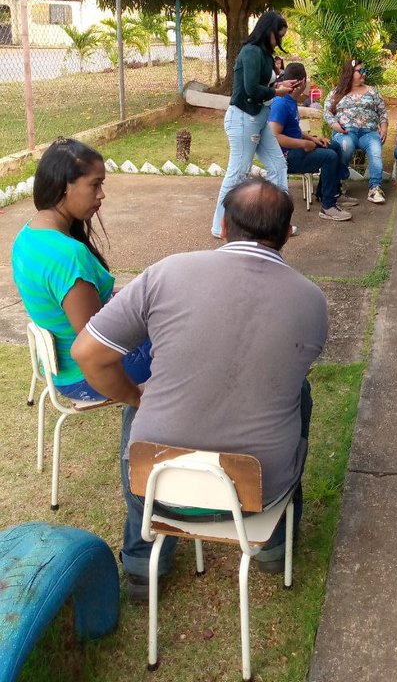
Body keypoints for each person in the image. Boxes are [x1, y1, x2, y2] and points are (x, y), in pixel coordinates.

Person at [72, 178, 327, 599]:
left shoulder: (166, 272)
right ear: (286, 235)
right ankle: (273, 550)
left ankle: (140, 565)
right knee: (296, 393)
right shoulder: (312, 300)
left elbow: (88, 353)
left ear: (224, 226)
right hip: (258, 493)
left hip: (156, 487)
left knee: (141, 410)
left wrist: (137, 398)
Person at [11, 138, 152, 401]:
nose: (102, 194)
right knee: (186, 344)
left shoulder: (28, 236)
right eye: (95, 185)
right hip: (85, 376)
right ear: (65, 187)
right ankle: (149, 428)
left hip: (60, 370)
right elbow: (97, 342)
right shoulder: (69, 256)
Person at [211, 11, 300, 238]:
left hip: (259, 117)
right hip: (243, 117)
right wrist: (277, 91)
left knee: (278, 166)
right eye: (278, 36)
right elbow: (251, 88)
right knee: (238, 171)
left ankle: (277, 224)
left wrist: (281, 83)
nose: (279, 41)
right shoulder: (250, 52)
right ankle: (219, 225)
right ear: (267, 30)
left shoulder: (264, 54)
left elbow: (266, 83)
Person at [269, 62, 356, 222]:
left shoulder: (291, 100)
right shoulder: (281, 103)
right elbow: (274, 136)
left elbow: (294, 130)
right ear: (302, 82)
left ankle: (329, 194)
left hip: (296, 149)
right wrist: (304, 144)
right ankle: (328, 207)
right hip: (286, 157)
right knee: (329, 157)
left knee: (334, 146)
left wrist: (313, 139)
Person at [323, 58, 388, 205]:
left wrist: (383, 128)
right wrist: (334, 125)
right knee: (346, 146)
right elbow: (327, 112)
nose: (364, 74)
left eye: (365, 71)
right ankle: (339, 183)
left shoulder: (372, 91)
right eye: (360, 71)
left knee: (376, 150)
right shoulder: (337, 91)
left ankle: (375, 188)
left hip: (369, 132)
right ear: (350, 73)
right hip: (346, 132)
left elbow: (383, 112)